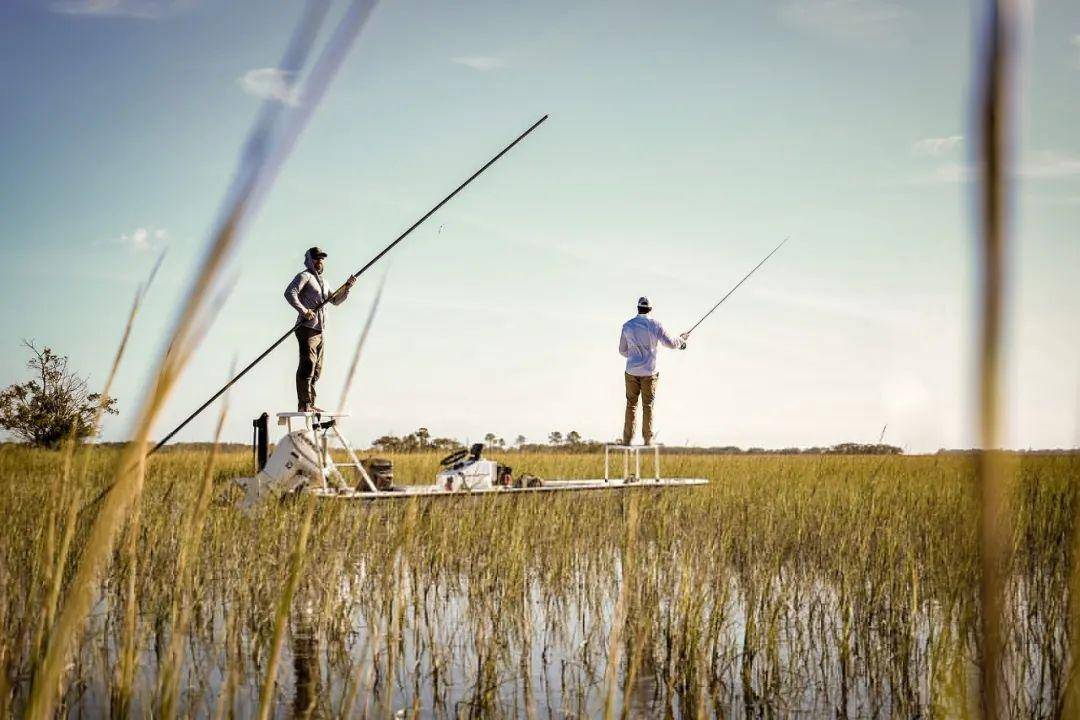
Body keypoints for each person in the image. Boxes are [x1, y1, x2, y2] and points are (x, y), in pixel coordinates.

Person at [284, 247, 356, 412]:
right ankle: (304, 404)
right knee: (308, 365)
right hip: (307, 328)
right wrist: (304, 311)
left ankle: (310, 402)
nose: (319, 261)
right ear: (310, 260)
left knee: (316, 369)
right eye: (316, 258)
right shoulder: (305, 276)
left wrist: (347, 287)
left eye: (322, 258)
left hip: (320, 330)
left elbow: (335, 300)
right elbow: (290, 293)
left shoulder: (324, 282)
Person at [618, 296, 688, 446]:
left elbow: (622, 350)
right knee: (648, 405)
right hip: (650, 372)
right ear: (650, 309)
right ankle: (648, 439)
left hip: (631, 371)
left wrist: (634, 356)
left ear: (638, 308)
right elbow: (671, 344)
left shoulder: (627, 326)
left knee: (631, 405)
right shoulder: (656, 325)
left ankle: (627, 439)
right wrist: (681, 340)